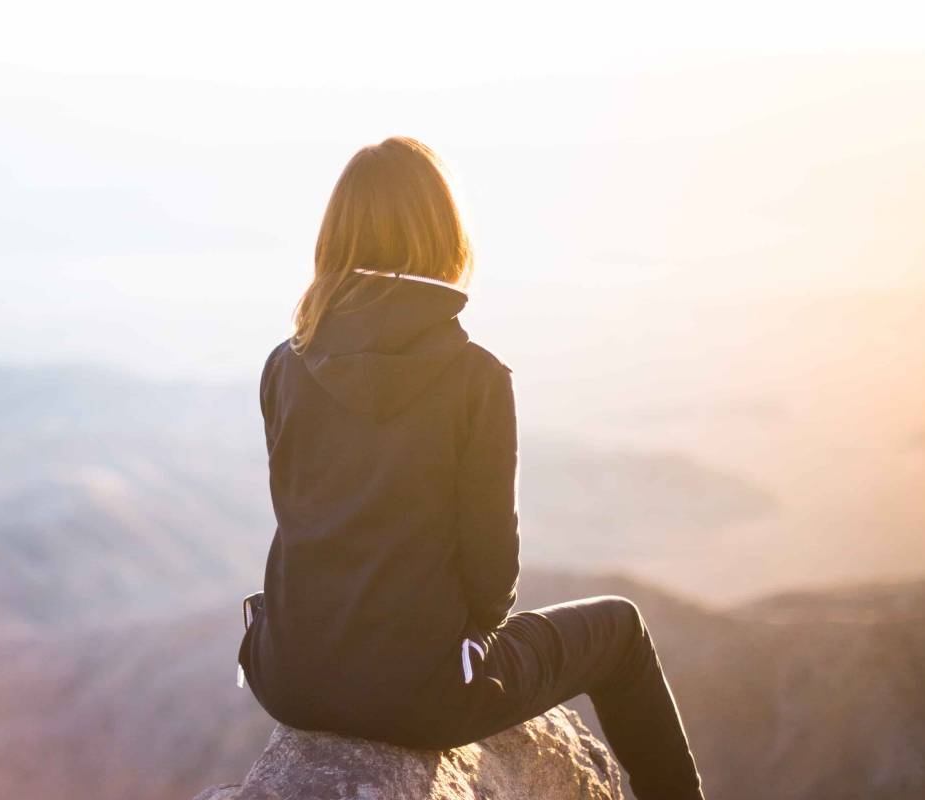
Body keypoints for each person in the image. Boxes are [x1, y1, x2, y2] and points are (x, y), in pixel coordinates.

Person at [236, 136, 705, 800]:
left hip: (287, 679)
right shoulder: (475, 379)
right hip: (423, 699)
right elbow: (492, 585)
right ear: (443, 234)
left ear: (335, 238)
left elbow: (311, 523)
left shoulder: (285, 365)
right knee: (621, 629)